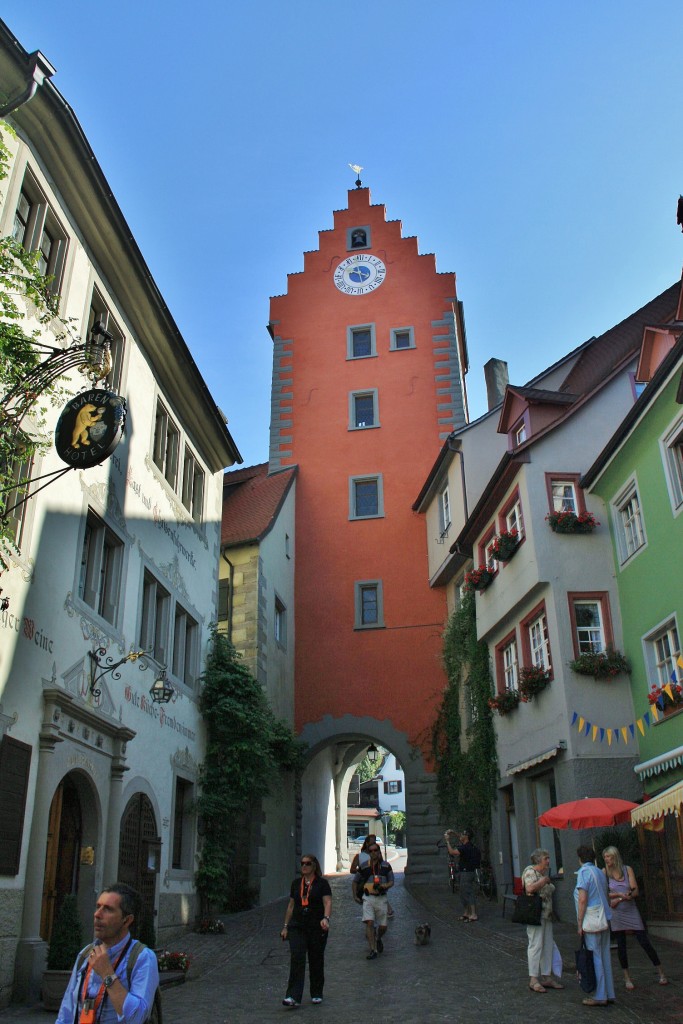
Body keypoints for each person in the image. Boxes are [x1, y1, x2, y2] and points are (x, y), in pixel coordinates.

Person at [56, 883, 159, 1024]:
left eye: (108, 909)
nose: (97, 914)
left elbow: (137, 1018)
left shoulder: (142, 958)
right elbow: (66, 1013)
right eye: (98, 907)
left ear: (127, 920)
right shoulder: (85, 955)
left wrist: (107, 974)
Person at [602, 845, 668, 990]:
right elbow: (604, 893)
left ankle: (661, 971)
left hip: (630, 910)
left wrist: (621, 898)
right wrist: (619, 895)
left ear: (615, 856)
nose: (607, 859)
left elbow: (634, 890)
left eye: (609, 856)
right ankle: (627, 977)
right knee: (621, 945)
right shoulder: (604, 872)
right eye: (605, 857)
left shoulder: (627, 869)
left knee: (644, 941)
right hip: (617, 914)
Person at [280, 854, 332, 1008]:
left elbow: (327, 902)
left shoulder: (322, 884)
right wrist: (285, 926)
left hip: (316, 926)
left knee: (316, 959)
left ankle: (316, 992)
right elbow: (291, 906)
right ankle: (292, 996)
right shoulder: (296, 884)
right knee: (297, 958)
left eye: (307, 864)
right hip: (297, 926)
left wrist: (326, 918)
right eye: (302, 863)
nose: (304, 866)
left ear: (314, 866)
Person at [575, 844, 615, 1007]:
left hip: (592, 918)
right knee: (605, 955)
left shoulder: (584, 873)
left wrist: (579, 922)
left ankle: (600, 995)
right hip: (605, 917)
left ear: (580, 859)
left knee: (595, 955)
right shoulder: (599, 871)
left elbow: (582, 899)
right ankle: (609, 992)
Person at [521, 848, 564, 993]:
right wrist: (544, 880)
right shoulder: (530, 872)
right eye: (546, 858)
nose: (548, 861)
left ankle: (546, 976)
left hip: (546, 915)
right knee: (535, 945)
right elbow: (530, 888)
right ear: (539, 860)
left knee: (547, 945)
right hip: (535, 915)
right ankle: (533, 979)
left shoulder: (541, 874)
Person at [353, 840, 394, 959]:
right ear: (368, 853)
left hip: (381, 898)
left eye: (376, 850)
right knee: (369, 922)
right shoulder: (364, 866)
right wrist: (355, 895)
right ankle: (373, 949)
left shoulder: (386, 866)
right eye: (371, 851)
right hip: (368, 897)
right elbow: (355, 881)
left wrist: (384, 886)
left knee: (383, 926)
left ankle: (378, 937)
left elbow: (391, 881)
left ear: (379, 852)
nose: (373, 853)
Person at [350, 834, 394, 917]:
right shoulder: (359, 856)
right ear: (366, 844)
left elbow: (384, 868)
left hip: (378, 886)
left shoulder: (378, 855)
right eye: (372, 842)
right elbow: (352, 870)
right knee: (370, 914)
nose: (374, 843)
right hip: (366, 887)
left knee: (379, 895)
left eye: (375, 842)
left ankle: (386, 912)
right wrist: (363, 871)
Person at [444, 827, 481, 921]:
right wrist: (453, 832)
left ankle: (473, 914)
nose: (460, 836)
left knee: (468, 893)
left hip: (466, 873)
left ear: (467, 836)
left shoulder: (465, 847)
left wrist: (447, 841)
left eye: (463, 834)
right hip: (468, 872)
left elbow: (452, 852)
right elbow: (461, 838)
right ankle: (467, 913)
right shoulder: (469, 845)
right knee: (463, 893)